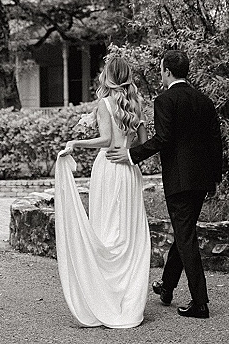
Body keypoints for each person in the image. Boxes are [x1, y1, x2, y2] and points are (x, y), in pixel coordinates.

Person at [107, 49, 223, 320]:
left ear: (167, 71)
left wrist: (130, 155)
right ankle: (167, 287)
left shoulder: (165, 100)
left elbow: (164, 139)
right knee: (184, 233)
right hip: (202, 180)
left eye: (161, 69)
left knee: (185, 236)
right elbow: (216, 143)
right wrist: (214, 179)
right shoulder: (204, 101)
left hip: (180, 181)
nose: (160, 74)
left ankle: (200, 303)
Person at [54, 54, 151, 328]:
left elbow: (107, 140)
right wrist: (129, 154)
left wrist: (76, 142)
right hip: (130, 171)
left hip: (108, 170)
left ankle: (105, 298)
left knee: (106, 233)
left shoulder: (105, 103)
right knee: (128, 236)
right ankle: (128, 302)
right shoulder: (138, 102)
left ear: (107, 75)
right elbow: (144, 143)